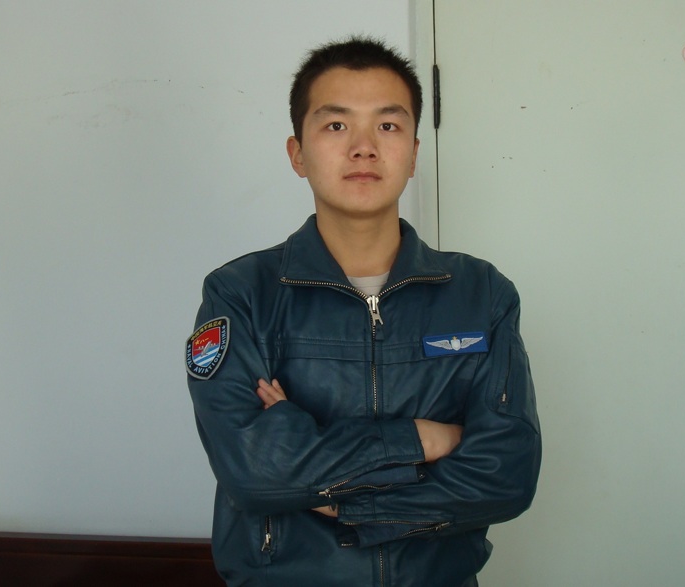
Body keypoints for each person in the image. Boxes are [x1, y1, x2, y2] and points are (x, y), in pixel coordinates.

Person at [186, 36, 541, 587]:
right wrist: (423, 440)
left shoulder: (481, 293)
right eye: (336, 125)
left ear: (414, 154)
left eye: (388, 125)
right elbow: (256, 473)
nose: (363, 147)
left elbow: (506, 477)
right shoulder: (241, 294)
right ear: (297, 154)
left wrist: (340, 500)